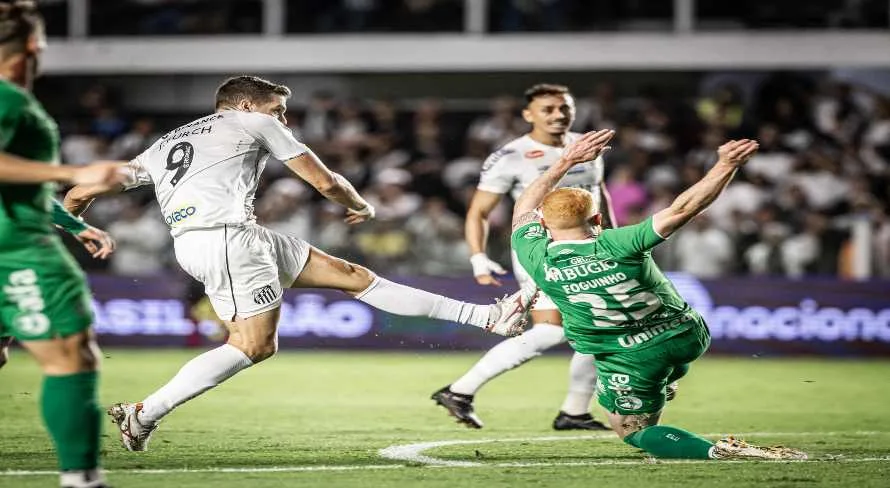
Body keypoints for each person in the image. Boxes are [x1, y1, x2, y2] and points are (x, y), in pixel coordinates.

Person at [63, 75, 536, 452]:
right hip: (226, 240)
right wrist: (360, 205)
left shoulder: (168, 142)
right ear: (245, 106)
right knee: (252, 345)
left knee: (352, 276)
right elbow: (325, 181)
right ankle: (145, 413)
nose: (283, 119)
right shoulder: (253, 123)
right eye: (277, 110)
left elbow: (90, 186)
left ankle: (486, 317)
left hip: (231, 237)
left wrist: (71, 215)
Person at [509, 131, 807, 460]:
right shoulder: (621, 242)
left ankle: (718, 452)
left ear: (543, 226)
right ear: (597, 219)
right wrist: (726, 165)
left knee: (633, 429)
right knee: (661, 371)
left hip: (631, 355)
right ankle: (666, 380)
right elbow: (685, 208)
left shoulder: (533, 254)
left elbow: (523, 206)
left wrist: (564, 161)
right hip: (686, 334)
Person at [432, 84, 614, 430]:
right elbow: (479, 211)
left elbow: (598, 194)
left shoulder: (586, 147)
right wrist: (477, 256)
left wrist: (613, 240)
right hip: (542, 252)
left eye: (564, 108)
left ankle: (573, 412)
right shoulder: (511, 156)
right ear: (528, 115)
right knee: (562, 330)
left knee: (598, 327)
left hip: (590, 249)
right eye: (548, 109)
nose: (558, 115)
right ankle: (461, 390)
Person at [0, 2, 125, 487]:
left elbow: (16, 184)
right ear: (34, 46)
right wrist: (73, 172)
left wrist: (75, 225)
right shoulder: (9, 99)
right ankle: (82, 481)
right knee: (71, 357)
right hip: (16, 253)